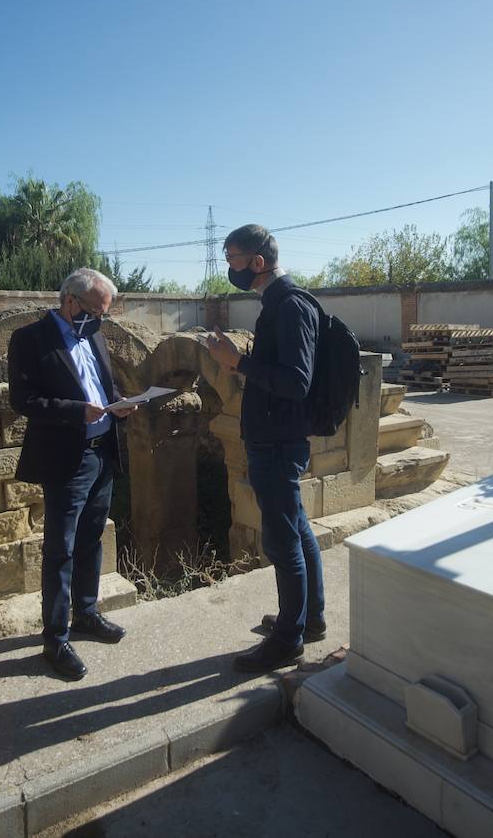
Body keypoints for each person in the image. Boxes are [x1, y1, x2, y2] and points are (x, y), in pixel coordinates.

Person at [203, 224, 326, 673]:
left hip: (277, 442)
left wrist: (237, 362)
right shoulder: (276, 302)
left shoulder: (291, 305)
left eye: (233, 259)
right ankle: (309, 620)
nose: (229, 268)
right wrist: (242, 364)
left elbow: (297, 382)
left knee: (282, 541)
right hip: (274, 436)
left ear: (258, 262)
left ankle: (288, 639)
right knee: (298, 529)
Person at [8, 268, 137, 681]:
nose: (101, 319)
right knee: (60, 549)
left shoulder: (94, 335)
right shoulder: (29, 339)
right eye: (96, 310)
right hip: (68, 457)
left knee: (92, 539)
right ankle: (56, 638)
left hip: (102, 454)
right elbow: (24, 400)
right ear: (70, 301)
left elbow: (104, 386)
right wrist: (75, 412)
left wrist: (121, 403)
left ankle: (87, 613)